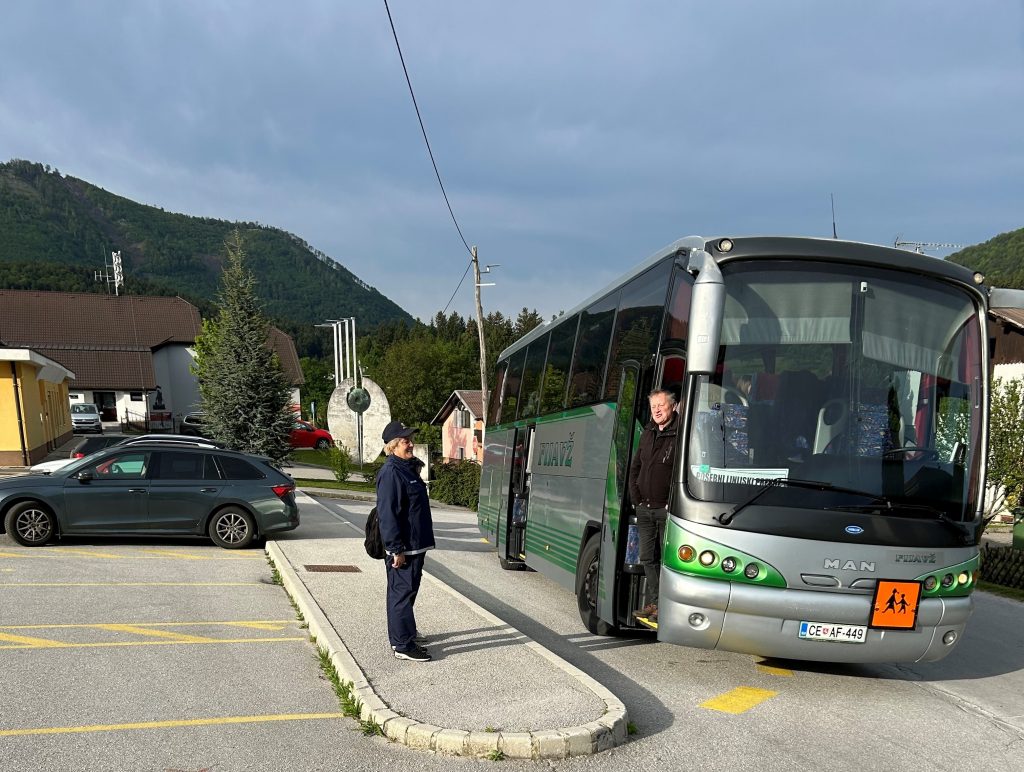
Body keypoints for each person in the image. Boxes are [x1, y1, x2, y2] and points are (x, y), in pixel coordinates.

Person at [376, 420, 436, 662]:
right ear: (392, 446)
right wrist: (395, 549)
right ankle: (402, 645)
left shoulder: (407, 468)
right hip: (404, 548)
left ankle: (406, 632)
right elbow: (388, 514)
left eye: (410, 439)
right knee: (401, 594)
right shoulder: (391, 472)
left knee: (408, 592)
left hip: (415, 545)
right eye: (405, 441)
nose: (411, 444)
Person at [628, 388, 679, 624]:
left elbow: (680, 472)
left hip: (665, 510)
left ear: (673, 406)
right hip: (645, 508)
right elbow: (635, 467)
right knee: (647, 558)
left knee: (667, 560)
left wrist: (671, 503)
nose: (657, 410)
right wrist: (636, 498)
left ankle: (664, 606)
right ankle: (655, 603)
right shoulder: (648, 432)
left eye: (661, 405)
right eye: (653, 407)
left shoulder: (681, 433)